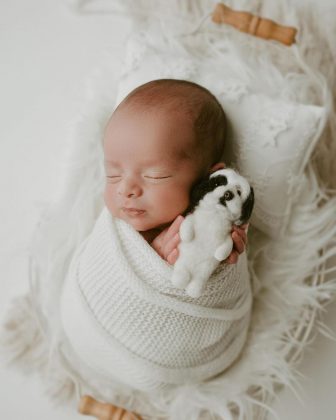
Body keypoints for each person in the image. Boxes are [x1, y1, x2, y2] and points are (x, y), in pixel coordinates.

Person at [103, 78, 248, 265]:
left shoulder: (211, 229)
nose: (125, 189)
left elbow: (214, 287)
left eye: (154, 175)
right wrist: (152, 260)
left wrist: (215, 254)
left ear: (211, 180)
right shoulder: (114, 229)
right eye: (113, 174)